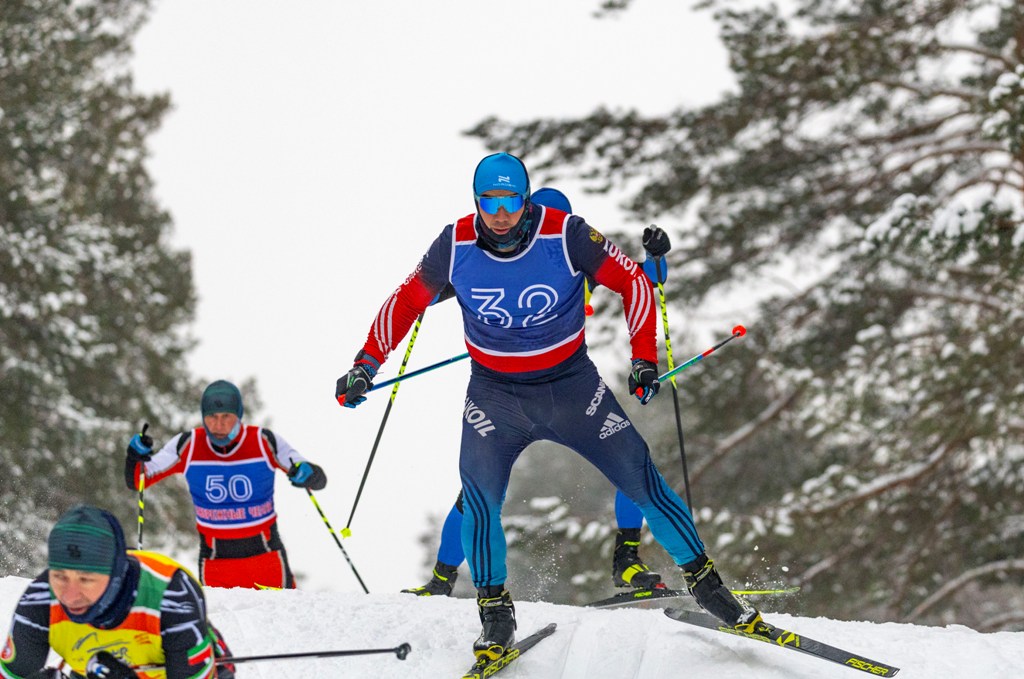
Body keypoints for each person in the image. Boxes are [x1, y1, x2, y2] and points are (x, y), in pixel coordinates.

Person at [336, 152, 767, 662]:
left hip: (571, 391)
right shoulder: (454, 244)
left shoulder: (566, 233)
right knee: (478, 499)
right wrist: (366, 364)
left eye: (510, 200)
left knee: (641, 475)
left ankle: (708, 587)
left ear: (525, 198)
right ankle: (495, 615)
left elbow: (634, 283)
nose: (500, 212)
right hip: (494, 397)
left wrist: (644, 359)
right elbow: (405, 301)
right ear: (476, 201)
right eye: (489, 201)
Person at [400, 187, 668, 597]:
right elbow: (435, 288)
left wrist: (655, 258)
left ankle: (627, 561)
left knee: (629, 465)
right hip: (507, 387)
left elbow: (642, 284)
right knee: (480, 492)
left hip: (567, 382)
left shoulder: (572, 248)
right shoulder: (507, 252)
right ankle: (441, 580)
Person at [124, 379, 327, 589]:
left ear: (238, 416)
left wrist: (307, 474)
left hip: (266, 556)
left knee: (282, 619)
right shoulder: (188, 444)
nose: (218, 424)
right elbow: (139, 479)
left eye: (226, 417)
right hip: (216, 562)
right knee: (220, 622)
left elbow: (317, 479)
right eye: (211, 416)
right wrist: (134, 456)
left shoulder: (264, 441)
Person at [0, 504, 235, 679]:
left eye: (86, 579)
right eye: (60, 577)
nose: (69, 596)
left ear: (115, 574)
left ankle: (204, 639)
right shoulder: (39, 600)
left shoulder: (174, 596)